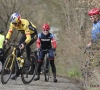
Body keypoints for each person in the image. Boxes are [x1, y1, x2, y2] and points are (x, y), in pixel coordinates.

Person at [5, 12, 37, 79]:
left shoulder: (25, 24)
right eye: (14, 24)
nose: (15, 26)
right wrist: (7, 39)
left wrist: (24, 44)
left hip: (33, 34)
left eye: (16, 24)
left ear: (19, 21)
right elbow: (10, 32)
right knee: (17, 53)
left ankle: (28, 59)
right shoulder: (13, 23)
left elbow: (28, 38)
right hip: (25, 33)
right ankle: (17, 73)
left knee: (27, 45)